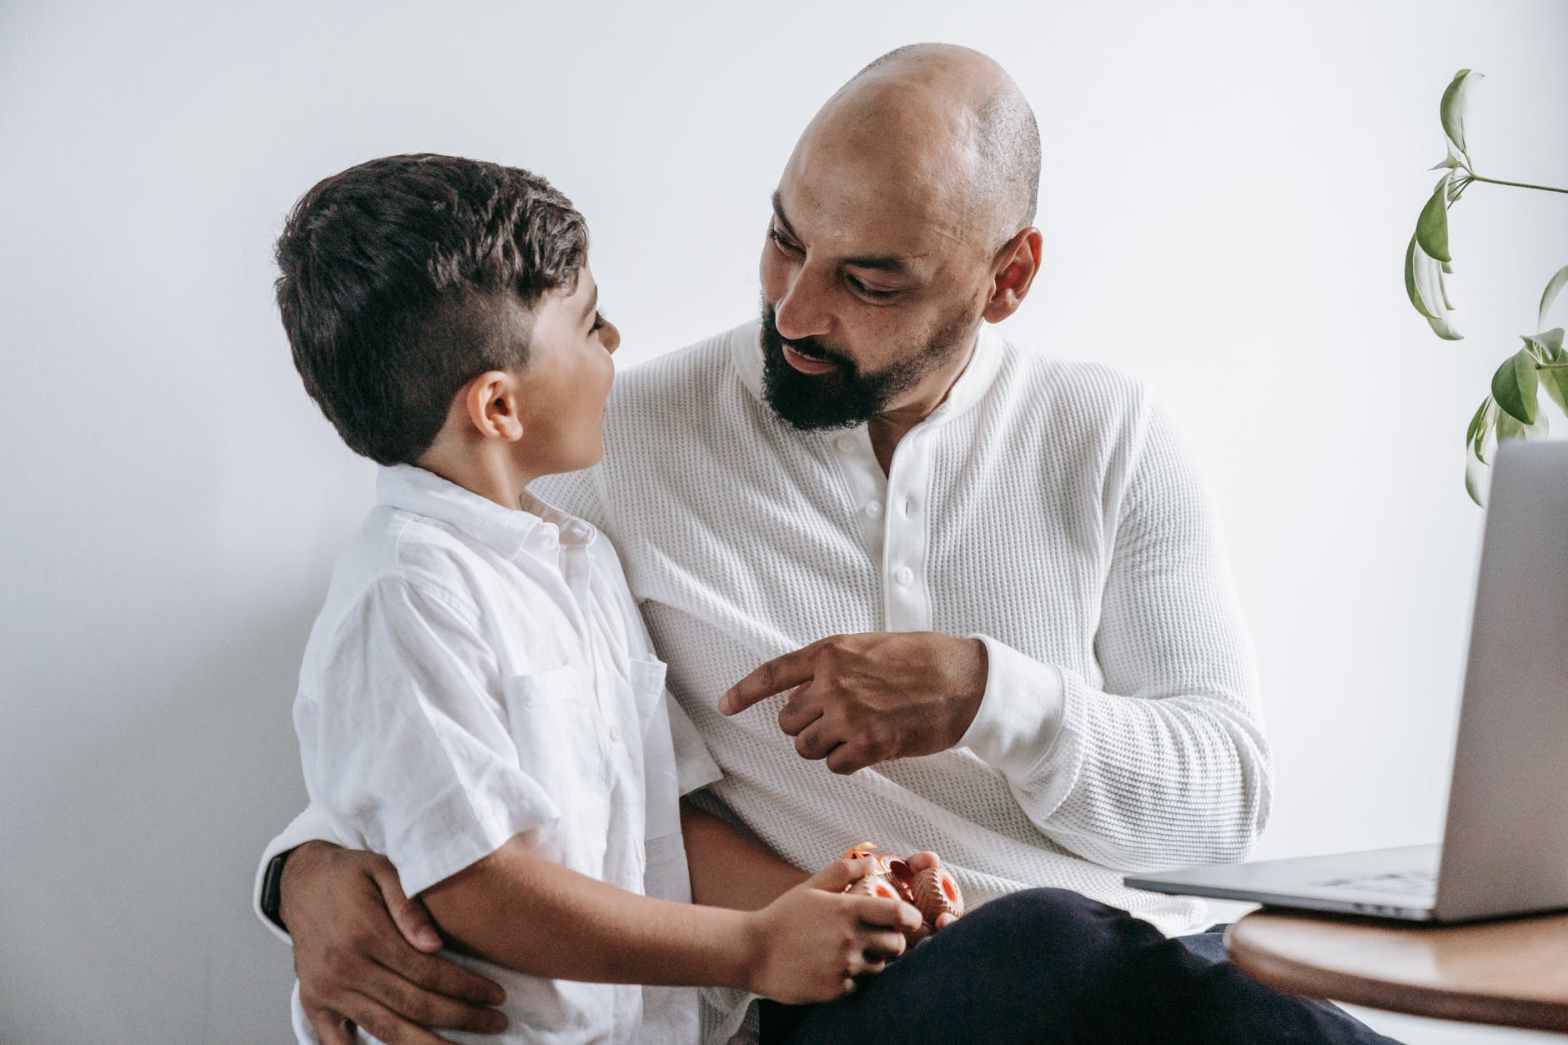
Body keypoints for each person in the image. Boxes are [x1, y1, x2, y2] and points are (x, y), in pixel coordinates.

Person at [258, 47, 1402, 1044]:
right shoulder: (607, 444)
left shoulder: (1105, 432)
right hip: (862, 998)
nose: (794, 312)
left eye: (867, 280)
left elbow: (1221, 807)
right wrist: (303, 869)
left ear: (1005, 278)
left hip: (1138, 964)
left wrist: (989, 696)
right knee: (1041, 941)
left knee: (1100, 954)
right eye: (782, 240)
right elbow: (468, 728)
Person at [266, 152, 933, 1044]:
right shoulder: (407, 597)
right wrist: (751, 949)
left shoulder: (579, 560)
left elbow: (662, 821)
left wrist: (836, 910)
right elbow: (477, 882)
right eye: (589, 324)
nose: (614, 340)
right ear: (498, 409)